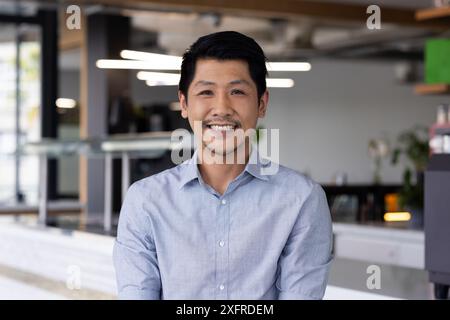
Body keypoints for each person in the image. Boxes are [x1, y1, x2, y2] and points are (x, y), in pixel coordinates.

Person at [113, 31, 333, 300]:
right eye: (206, 92)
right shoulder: (145, 200)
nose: (222, 107)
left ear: (261, 103)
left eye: (237, 91)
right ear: (184, 103)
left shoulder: (302, 200)